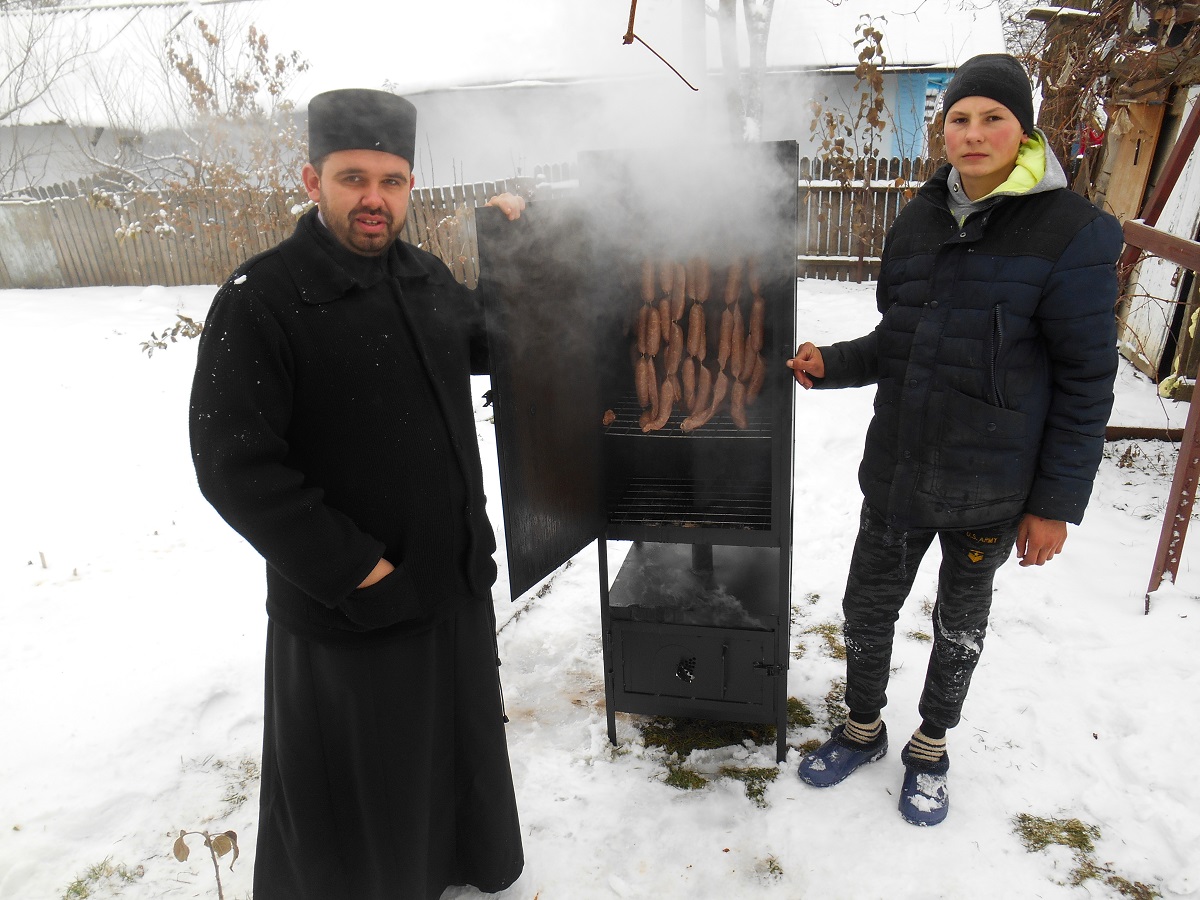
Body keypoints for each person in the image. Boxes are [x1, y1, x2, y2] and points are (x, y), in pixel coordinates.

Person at [189, 88, 527, 897]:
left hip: (448, 585)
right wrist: (357, 570)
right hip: (355, 605)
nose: (374, 199)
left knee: (449, 746)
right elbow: (234, 465)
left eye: (393, 180)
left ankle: (450, 864)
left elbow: (493, 340)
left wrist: (513, 247)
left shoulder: (424, 276)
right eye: (353, 178)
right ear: (312, 179)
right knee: (373, 778)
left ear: (410, 186)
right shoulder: (261, 298)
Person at [786, 54, 1122, 827]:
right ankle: (863, 728)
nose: (973, 134)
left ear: (1023, 128)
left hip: (991, 492)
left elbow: (1085, 385)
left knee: (959, 628)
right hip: (900, 473)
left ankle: (931, 749)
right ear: (944, 131)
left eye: (992, 118)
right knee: (866, 610)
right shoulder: (918, 219)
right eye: (959, 119)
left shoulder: (1071, 233)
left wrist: (1055, 505)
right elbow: (898, 340)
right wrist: (831, 364)